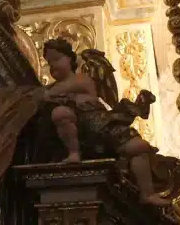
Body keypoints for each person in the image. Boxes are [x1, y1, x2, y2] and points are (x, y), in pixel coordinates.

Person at [41, 38, 170, 206]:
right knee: (60, 113)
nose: (52, 66)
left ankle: (147, 193)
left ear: (71, 59)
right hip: (79, 130)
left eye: (57, 59)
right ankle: (74, 153)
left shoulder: (82, 79)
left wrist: (45, 93)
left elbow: (61, 90)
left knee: (139, 147)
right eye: (49, 62)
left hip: (101, 123)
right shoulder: (51, 89)